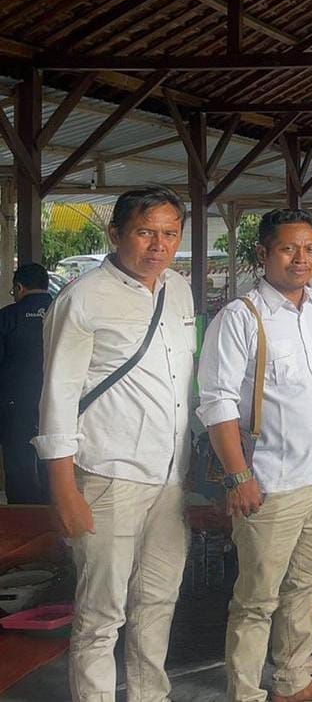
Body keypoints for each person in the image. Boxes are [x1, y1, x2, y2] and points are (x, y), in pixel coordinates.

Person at [33, 187, 196, 701]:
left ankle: (150, 695)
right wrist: (65, 490)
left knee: (157, 600)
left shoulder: (180, 289)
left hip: (170, 479)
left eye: (170, 234)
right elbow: (57, 396)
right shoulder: (82, 298)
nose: (159, 245)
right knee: (102, 613)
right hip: (107, 477)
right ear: (116, 234)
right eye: (146, 232)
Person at [198, 209, 312, 702]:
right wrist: (238, 476)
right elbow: (217, 402)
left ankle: (293, 681)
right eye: (289, 249)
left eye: (310, 249)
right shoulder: (240, 318)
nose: (302, 259)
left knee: (308, 585)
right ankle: (246, 691)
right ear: (263, 254)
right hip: (270, 480)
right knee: (256, 599)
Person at [1, 263, 52, 504]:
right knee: (55, 457)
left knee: (19, 459)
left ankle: (24, 518)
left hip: (15, 402)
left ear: (19, 287)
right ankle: (53, 512)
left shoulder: (7, 317)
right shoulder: (62, 311)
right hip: (59, 402)